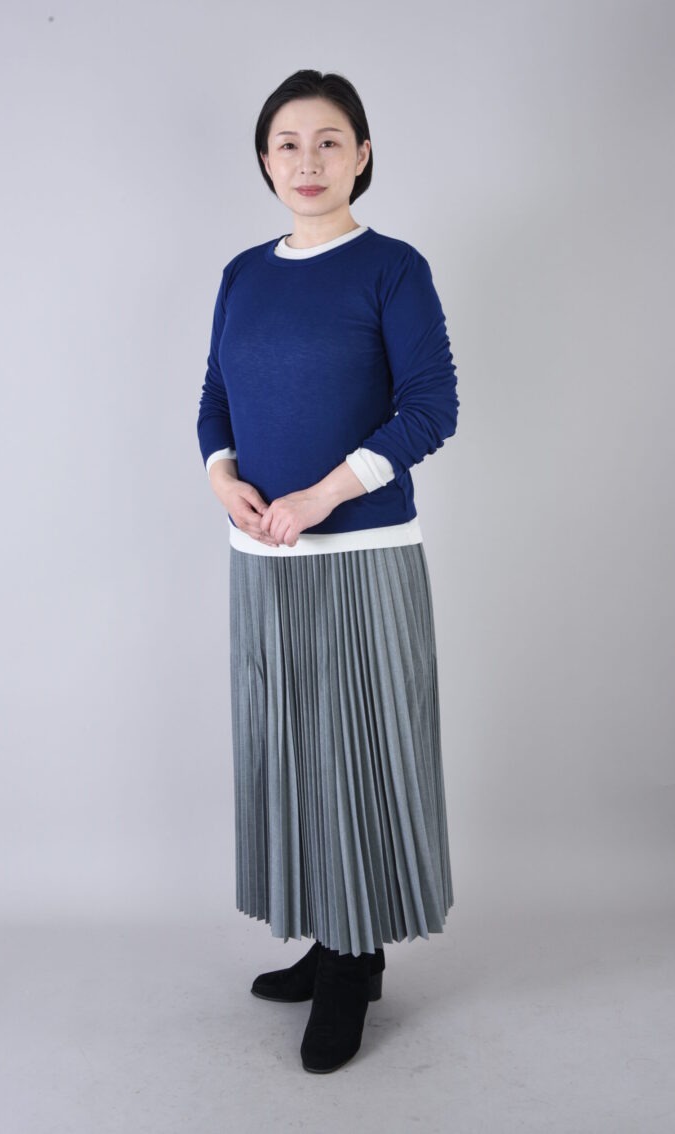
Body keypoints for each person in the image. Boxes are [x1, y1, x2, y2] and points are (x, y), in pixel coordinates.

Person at [196, 69, 460, 1074]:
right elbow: (216, 397)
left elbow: (431, 407)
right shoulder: (241, 274)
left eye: (329, 141)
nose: (307, 161)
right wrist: (223, 477)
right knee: (292, 752)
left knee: (356, 754)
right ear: (265, 160)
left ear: (362, 155)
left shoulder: (392, 268)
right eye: (287, 143)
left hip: (360, 555)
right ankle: (328, 934)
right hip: (261, 556)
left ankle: (356, 961)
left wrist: (320, 496)